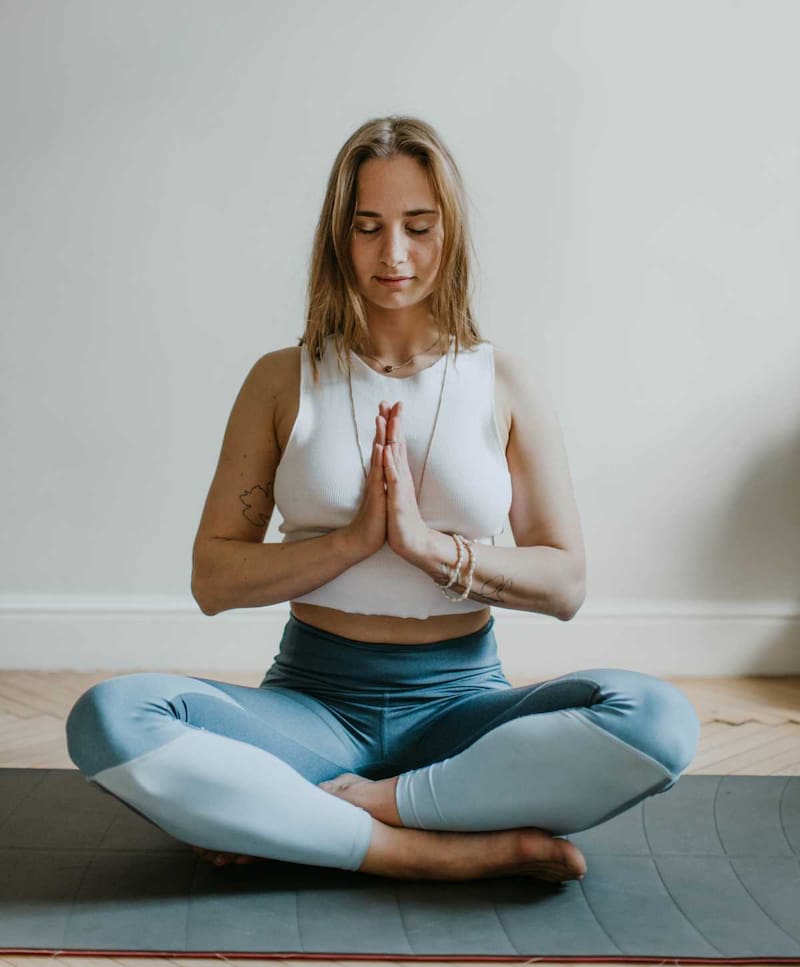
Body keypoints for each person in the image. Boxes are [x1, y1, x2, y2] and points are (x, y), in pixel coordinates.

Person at [65, 115, 700, 884]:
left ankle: (336, 812)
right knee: (109, 718)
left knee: (659, 720)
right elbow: (213, 579)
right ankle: (432, 847)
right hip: (312, 707)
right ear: (340, 237)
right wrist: (351, 541)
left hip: (464, 712)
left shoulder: (504, 383)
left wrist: (427, 547)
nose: (393, 255)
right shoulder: (281, 379)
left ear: (450, 232)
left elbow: (566, 584)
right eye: (367, 228)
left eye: (417, 226)